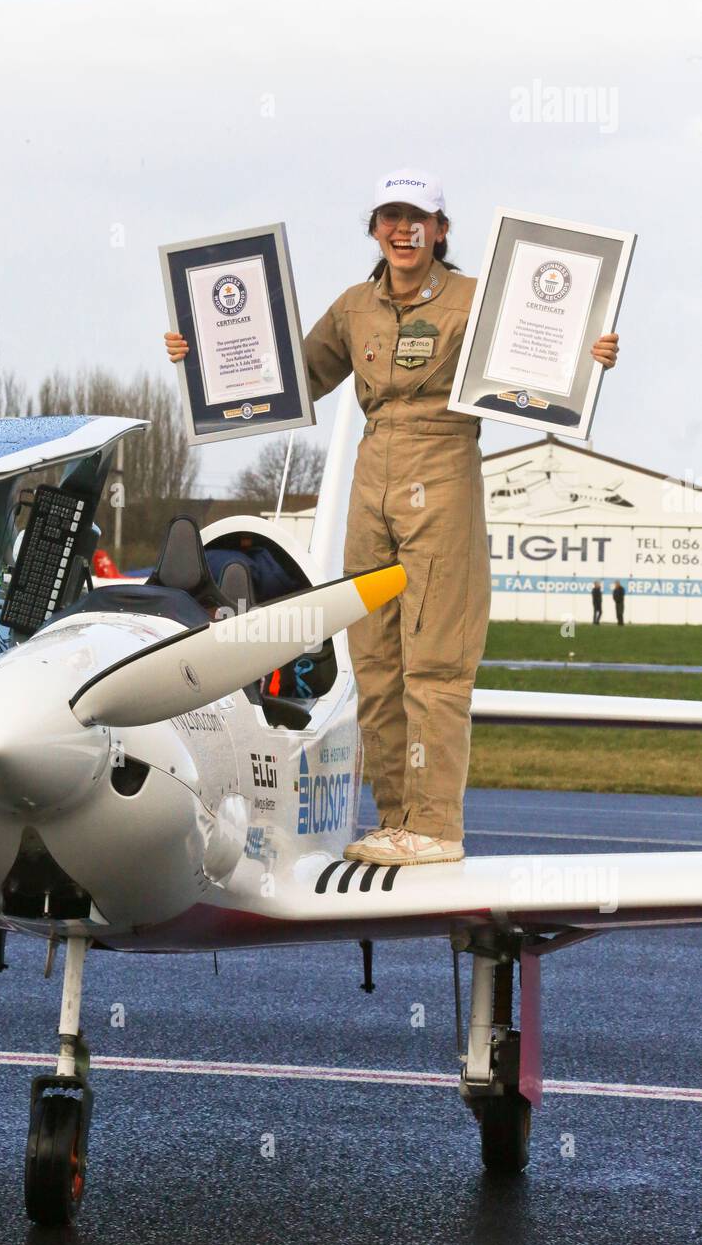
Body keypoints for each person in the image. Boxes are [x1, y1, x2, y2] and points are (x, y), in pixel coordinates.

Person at [164, 168, 620, 864]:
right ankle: (395, 818)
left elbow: (544, 363)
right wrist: (202, 361)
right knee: (373, 657)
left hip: (441, 467)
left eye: (418, 217)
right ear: (374, 229)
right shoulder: (355, 308)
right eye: (389, 217)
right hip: (370, 476)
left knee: (435, 660)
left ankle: (435, 827)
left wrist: (589, 357)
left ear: (441, 229)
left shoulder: (477, 300)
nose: (402, 230)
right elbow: (293, 377)